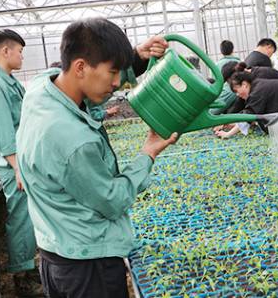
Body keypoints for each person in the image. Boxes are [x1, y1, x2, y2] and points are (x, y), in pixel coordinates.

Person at [16, 18, 177, 298]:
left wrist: (135, 57)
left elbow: (88, 91)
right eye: (112, 72)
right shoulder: (73, 140)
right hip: (89, 267)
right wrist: (147, 154)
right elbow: (112, 200)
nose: (117, 84)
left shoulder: (41, 88)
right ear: (80, 67)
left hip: (56, 253)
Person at [0, 29, 42, 296]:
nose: (22, 56)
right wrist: (17, 168)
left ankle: (29, 267)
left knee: (28, 217)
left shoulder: (8, 81)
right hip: (13, 165)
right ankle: (21, 276)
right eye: (20, 51)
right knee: (21, 219)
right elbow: (4, 133)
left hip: (22, 161)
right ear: (6, 51)